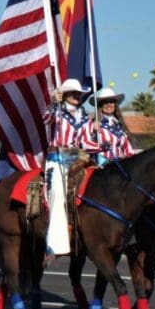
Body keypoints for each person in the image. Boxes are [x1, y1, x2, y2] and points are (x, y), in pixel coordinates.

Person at [41, 79, 90, 256]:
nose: (78, 96)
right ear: (66, 95)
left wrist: (100, 143)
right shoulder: (58, 112)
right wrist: (53, 103)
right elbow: (45, 119)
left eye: (79, 94)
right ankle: (55, 245)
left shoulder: (83, 114)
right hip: (58, 158)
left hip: (78, 157)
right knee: (57, 194)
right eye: (74, 93)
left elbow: (86, 140)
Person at [82, 88, 135, 166]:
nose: (108, 104)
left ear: (115, 104)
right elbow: (85, 144)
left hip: (120, 166)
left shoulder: (119, 125)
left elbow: (128, 150)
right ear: (100, 105)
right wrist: (100, 146)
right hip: (101, 167)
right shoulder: (92, 122)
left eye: (111, 101)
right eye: (105, 102)